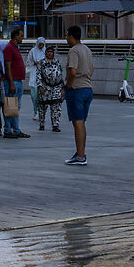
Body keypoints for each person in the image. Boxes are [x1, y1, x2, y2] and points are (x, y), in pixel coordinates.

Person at [64, 23, 95, 164]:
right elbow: (92, 69)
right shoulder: (87, 49)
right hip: (88, 89)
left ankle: (80, 156)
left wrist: (68, 86)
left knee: (78, 123)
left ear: (71, 36)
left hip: (76, 90)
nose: (66, 38)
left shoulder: (74, 51)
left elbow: (73, 71)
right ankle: (80, 153)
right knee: (81, 122)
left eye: (66, 35)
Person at [0, 31, 28, 137]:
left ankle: (16, 130)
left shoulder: (15, 47)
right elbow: (7, 66)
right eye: (21, 36)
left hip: (18, 81)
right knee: (11, 106)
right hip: (13, 81)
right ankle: (7, 130)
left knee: (15, 107)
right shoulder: (9, 48)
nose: (22, 38)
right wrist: (11, 83)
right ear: (15, 36)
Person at [35, 41, 66, 134]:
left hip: (56, 87)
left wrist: (62, 87)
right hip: (45, 87)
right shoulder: (41, 63)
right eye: (48, 52)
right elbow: (38, 75)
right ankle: (42, 123)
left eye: (51, 52)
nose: (49, 53)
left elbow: (61, 75)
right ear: (45, 53)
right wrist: (40, 86)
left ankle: (55, 125)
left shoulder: (57, 62)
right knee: (42, 107)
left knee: (56, 107)